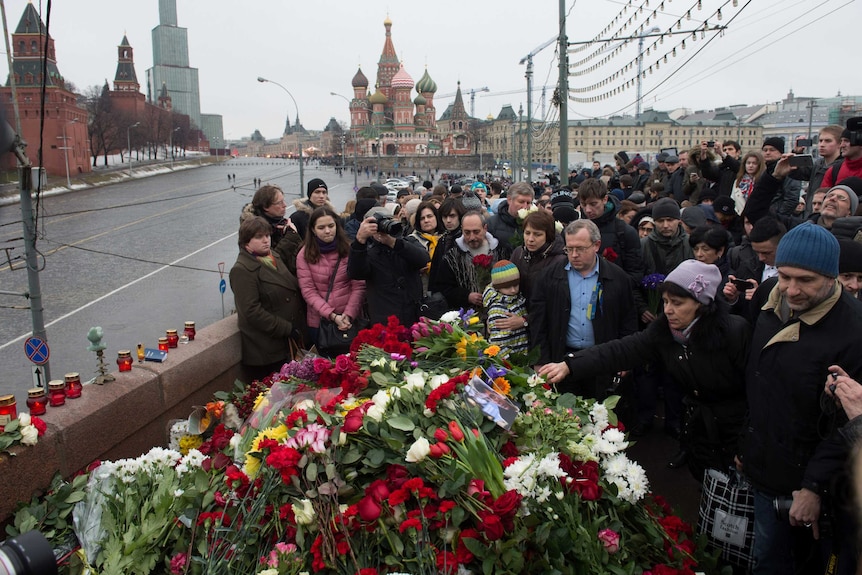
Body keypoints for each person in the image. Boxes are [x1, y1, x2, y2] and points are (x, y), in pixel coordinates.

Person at [542, 259, 750, 481]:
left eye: (677, 303)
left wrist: (747, 446)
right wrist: (570, 364)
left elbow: (761, 395)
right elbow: (622, 350)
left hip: (737, 433)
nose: (668, 310)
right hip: (701, 432)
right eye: (665, 301)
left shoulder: (734, 332)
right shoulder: (664, 333)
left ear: (701, 304)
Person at [740, 222, 862, 574]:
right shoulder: (768, 297)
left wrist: (813, 487)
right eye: (785, 276)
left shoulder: (853, 331)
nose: (791, 290)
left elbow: (848, 426)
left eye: (805, 281)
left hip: (811, 486)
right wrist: (744, 440)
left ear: (831, 277)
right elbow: (756, 376)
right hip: (763, 464)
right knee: (766, 556)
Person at [531, 219, 638, 400]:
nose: (574, 255)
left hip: (602, 360)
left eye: (580, 249)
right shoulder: (550, 275)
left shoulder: (617, 278)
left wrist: (625, 358)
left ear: (596, 245)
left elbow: (628, 321)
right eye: (569, 249)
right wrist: (540, 359)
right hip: (561, 358)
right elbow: (538, 321)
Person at [229, 217, 305, 382]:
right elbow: (251, 311)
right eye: (258, 237)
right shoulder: (242, 270)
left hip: (286, 344)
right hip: (267, 351)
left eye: (267, 235)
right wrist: (286, 328)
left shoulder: (273, 256)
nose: (266, 240)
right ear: (245, 242)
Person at [296, 207, 366, 351]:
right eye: (321, 227)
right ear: (313, 230)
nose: (327, 231)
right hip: (321, 323)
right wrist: (332, 315)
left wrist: (348, 314)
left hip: (352, 320)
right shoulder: (304, 255)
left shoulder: (349, 249)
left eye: (331, 226)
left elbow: (358, 285)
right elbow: (308, 291)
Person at [347, 207, 430, 327]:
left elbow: (423, 259)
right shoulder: (368, 253)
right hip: (386, 322)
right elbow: (355, 273)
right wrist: (359, 241)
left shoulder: (407, 242)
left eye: (389, 220)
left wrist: (394, 243)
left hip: (414, 316)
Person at [436, 211, 512, 311]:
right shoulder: (452, 256)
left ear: (485, 228)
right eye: (467, 232)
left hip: (501, 311)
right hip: (466, 315)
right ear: (462, 230)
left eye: (476, 232)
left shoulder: (502, 250)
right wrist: (467, 296)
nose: (472, 237)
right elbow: (443, 287)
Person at [577, 178, 645, 289]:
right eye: (583, 204)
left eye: (593, 204)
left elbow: (635, 273)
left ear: (605, 199)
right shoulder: (574, 231)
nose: (588, 210)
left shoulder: (625, 232)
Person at [240, 184, 303, 275]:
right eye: (279, 203)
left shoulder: (280, 223)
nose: (285, 205)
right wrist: (291, 235)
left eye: (283, 201)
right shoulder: (254, 231)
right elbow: (273, 262)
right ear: (266, 207)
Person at [509, 210, 566, 303]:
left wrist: (527, 318)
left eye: (537, 234)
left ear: (548, 236)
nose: (530, 239)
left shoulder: (559, 261)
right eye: (527, 233)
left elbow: (556, 301)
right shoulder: (518, 253)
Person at [482, 260, 529, 356]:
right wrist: (508, 364)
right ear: (498, 287)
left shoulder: (517, 299)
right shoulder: (497, 309)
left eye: (516, 285)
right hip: (510, 361)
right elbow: (498, 342)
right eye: (507, 287)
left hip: (522, 353)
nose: (513, 290)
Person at [407, 201, 444, 294]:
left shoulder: (445, 238)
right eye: (422, 218)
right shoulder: (411, 240)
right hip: (422, 291)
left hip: (444, 290)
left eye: (429, 216)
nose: (426, 220)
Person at [487, 182, 534, 246]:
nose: (525, 206)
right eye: (521, 202)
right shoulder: (492, 223)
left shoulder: (534, 224)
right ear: (509, 200)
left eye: (528, 203)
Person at [822, 117, 862, 188]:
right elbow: (823, 197)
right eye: (841, 141)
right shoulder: (834, 171)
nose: (842, 145)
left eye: (846, 141)